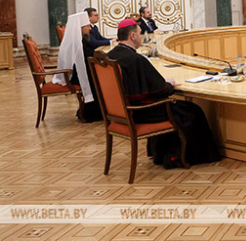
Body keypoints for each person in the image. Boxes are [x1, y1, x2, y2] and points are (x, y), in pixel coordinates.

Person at [106, 19, 221, 168]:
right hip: (142, 112)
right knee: (193, 111)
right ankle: (179, 157)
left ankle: (160, 154)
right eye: (140, 33)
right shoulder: (135, 59)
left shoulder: (111, 56)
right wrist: (169, 84)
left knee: (181, 109)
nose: (142, 37)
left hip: (121, 112)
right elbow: (161, 90)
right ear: (132, 36)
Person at [55, 11, 102, 122]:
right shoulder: (76, 42)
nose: (89, 29)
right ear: (80, 28)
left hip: (83, 70)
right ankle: (93, 112)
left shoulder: (82, 38)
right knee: (98, 78)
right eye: (87, 26)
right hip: (76, 75)